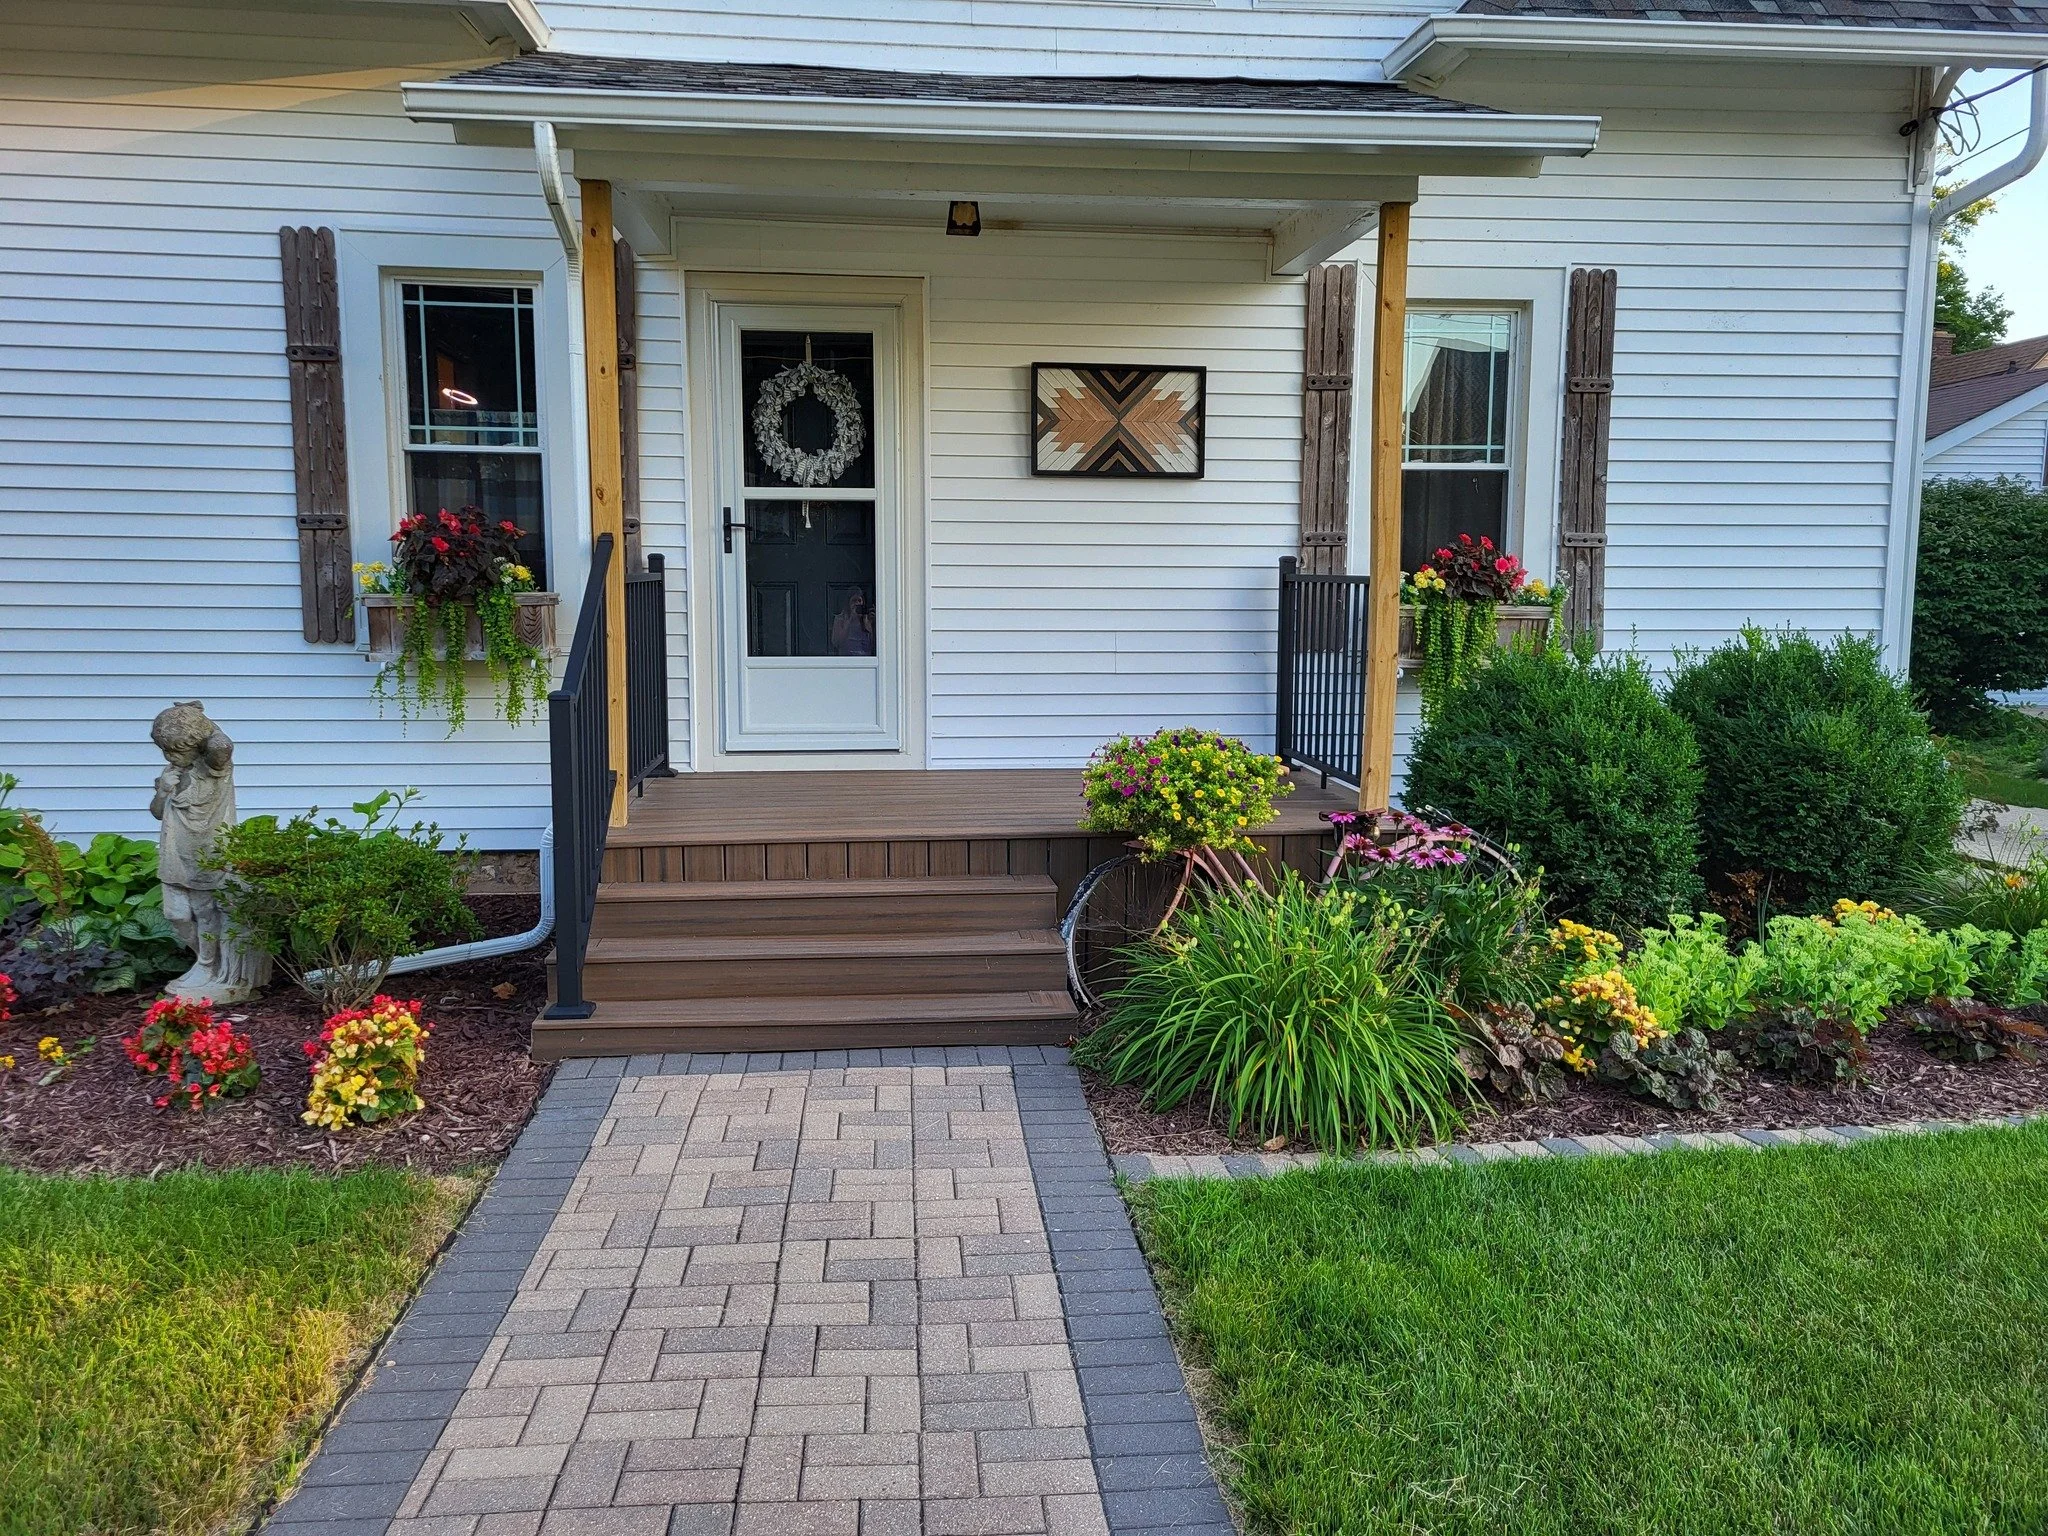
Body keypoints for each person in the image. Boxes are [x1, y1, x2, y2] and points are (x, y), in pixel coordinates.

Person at [149, 701, 270, 1002]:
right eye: (166, 750)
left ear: (197, 743)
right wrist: (163, 790)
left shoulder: (214, 766)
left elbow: (222, 745)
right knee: (175, 914)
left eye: (176, 750)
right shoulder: (172, 771)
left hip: (206, 850)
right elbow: (156, 812)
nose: (170, 756)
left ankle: (207, 967)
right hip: (175, 851)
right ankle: (207, 962)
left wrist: (198, 718)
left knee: (204, 912)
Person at [830, 588, 877, 657]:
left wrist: (873, 623)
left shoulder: (867, 619)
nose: (857, 603)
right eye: (854, 600)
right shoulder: (840, 619)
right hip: (847, 660)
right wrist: (850, 618)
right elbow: (836, 642)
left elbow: (875, 645)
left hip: (866, 660)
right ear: (848, 603)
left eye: (859, 600)